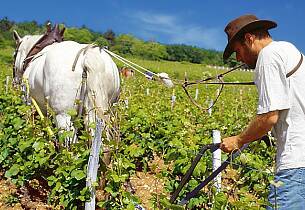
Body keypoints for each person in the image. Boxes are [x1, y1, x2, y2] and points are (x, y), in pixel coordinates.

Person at [220, 14, 305, 209]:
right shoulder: (290, 50)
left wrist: (239, 140)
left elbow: (269, 117)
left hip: (296, 162)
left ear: (249, 39)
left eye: (237, 51)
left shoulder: (269, 56)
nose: (238, 58)